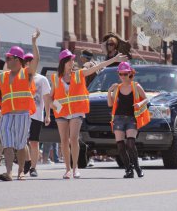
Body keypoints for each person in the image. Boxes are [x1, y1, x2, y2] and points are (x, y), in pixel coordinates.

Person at [50, 49, 127, 179]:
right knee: (63, 141)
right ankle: (67, 169)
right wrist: (56, 108)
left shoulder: (79, 74)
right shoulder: (55, 78)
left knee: (73, 138)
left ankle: (75, 168)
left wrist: (114, 60)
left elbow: (98, 67)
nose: (72, 62)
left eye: (72, 60)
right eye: (69, 60)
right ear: (63, 62)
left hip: (77, 111)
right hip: (62, 113)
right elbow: (50, 97)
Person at [0, 29, 40, 181]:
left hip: (22, 115)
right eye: (6, 58)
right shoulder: (3, 76)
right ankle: (8, 172)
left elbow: (36, 59)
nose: (6, 61)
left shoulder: (27, 73)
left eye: (8, 58)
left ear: (18, 60)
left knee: (20, 145)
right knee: (7, 143)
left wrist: (34, 42)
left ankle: (20, 171)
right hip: (6, 115)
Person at [107, 62, 150, 178]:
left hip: (131, 119)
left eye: (125, 74)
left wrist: (140, 103)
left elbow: (146, 99)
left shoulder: (136, 86)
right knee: (120, 146)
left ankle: (137, 167)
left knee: (130, 144)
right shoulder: (117, 88)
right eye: (120, 74)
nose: (122, 76)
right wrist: (109, 91)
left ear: (130, 73)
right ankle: (128, 170)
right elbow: (110, 104)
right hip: (118, 119)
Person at [22, 52, 51, 177]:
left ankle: (33, 167)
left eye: (31, 61)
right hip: (22, 114)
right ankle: (26, 162)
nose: (29, 64)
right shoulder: (20, 78)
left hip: (37, 115)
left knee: (34, 142)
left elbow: (46, 97)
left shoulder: (42, 79)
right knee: (21, 141)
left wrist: (48, 114)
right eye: (26, 62)